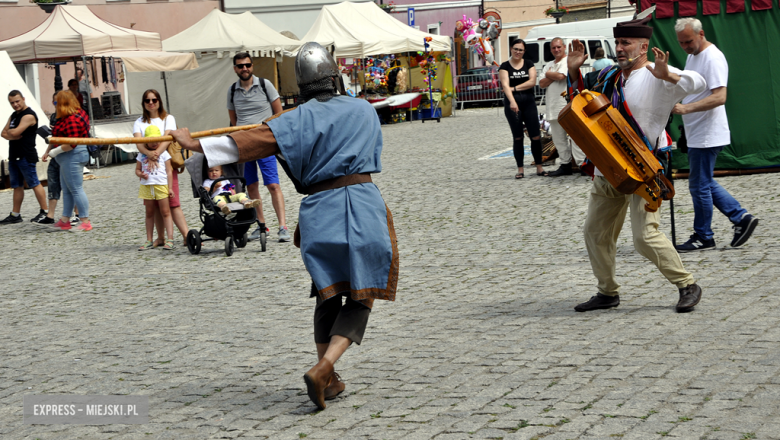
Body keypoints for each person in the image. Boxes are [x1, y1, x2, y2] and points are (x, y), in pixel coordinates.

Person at [171, 42, 398, 410]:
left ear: (302, 85)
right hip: (362, 204)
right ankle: (325, 367)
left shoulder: (290, 120)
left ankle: (331, 380)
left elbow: (240, 146)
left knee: (328, 291)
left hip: (319, 212)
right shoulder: (364, 110)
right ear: (334, 77)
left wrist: (191, 143)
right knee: (363, 290)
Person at [566, 17, 706, 313]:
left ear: (644, 47)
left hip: (645, 169)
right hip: (609, 169)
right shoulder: (608, 76)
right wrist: (574, 70)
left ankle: (687, 284)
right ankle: (607, 292)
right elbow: (582, 104)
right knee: (595, 232)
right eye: (617, 43)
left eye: (625, 43)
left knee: (645, 237)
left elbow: (699, 83)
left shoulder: (659, 76)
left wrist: (668, 75)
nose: (619, 48)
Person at [672, 18, 758, 252]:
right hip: (696, 130)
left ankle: (704, 236)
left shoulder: (712, 57)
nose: (686, 46)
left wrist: (685, 109)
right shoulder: (693, 56)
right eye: (681, 43)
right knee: (704, 182)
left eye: (689, 41)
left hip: (707, 132)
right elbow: (693, 88)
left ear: (701, 34)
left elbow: (720, 97)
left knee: (699, 185)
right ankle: (740, 218)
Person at [228, 52, 290, 242]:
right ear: (235, 69)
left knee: (273, 184)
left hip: (264, 142)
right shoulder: (232, 90)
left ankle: (283, 226)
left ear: (252, 66)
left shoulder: (265, 85)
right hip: (244, 143)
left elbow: (278, 113)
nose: (244, 68)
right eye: (240, 66)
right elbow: (233, 119)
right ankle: (262, 225)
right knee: (251, 186)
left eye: (247, 65)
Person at [133, 89, 189, 247]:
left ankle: (186, 234)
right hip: (148, 167)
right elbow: (138, 143)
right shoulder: (139, 122)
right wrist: (148, 154)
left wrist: (155, 154)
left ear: (159, 101)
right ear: (143, 103)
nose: (151, 103)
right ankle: (160, 237)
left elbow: (167, 138)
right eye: (147, 100)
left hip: (164, 164)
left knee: (173, 201)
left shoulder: (168, 118)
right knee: (154, 205)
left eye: (154, 100)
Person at [498, 39, 546, 179]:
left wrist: (515, 88)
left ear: (524, 51)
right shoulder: (505, 66)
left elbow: (532, 81)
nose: (518, 52)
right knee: (518, 137)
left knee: (535, 136)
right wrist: (512, 101)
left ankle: (539, 167)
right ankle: (520, 169)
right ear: (511, 49)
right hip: (512, 104)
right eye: (515, 49)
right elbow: (505, 86)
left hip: (529, 102)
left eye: (521, 50)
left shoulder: (529, 63)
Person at [1, 90, 49, 225]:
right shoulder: (14, 115)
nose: (15, 105)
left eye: (17, 101)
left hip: (26, 155)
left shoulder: (28, 115)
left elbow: (12, 131)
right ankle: (15, 214)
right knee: (16, 185)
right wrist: (14, 134)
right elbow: (3, 133)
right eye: (12, 103)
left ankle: (44, 211)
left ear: (23, 98)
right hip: (14, 155)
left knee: (34, 182)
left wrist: (12, 133)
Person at [541, 37, 586, 177]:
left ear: (564, 47)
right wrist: (551, 75)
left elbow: (562, 76)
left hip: (567, 105)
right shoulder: (548, 64)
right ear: (550, 49)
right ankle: (565, 164)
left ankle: (582, 164)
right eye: (554, 47)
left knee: (575, 137)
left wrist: (548, 74)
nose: (556, 50)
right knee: (558, 138)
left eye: (559, 47)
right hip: (553, 106)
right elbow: (541, 83)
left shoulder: (567, 61)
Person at [48, 90, 92, 231]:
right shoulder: (76, 114)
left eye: (56, 103)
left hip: (72, 155)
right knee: (67, 189)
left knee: (76, 189)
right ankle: (65, 219)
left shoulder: (72, 118)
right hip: (68, 156)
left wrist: (54, 151)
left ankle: (85, 220)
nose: (55, 106)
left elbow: (72, 143)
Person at [136, 125, 175, 251]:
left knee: (166, 212)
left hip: (161, 185)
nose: (155, 143)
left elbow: (169, 171)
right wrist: (140, 174)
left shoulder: (164, 153)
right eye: (151, 140)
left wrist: (170, 188)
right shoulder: (141, 154)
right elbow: (137, 170)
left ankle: (170, 238)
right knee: (149, 212)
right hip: (147, 186)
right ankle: (149, 239)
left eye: (157, 140)